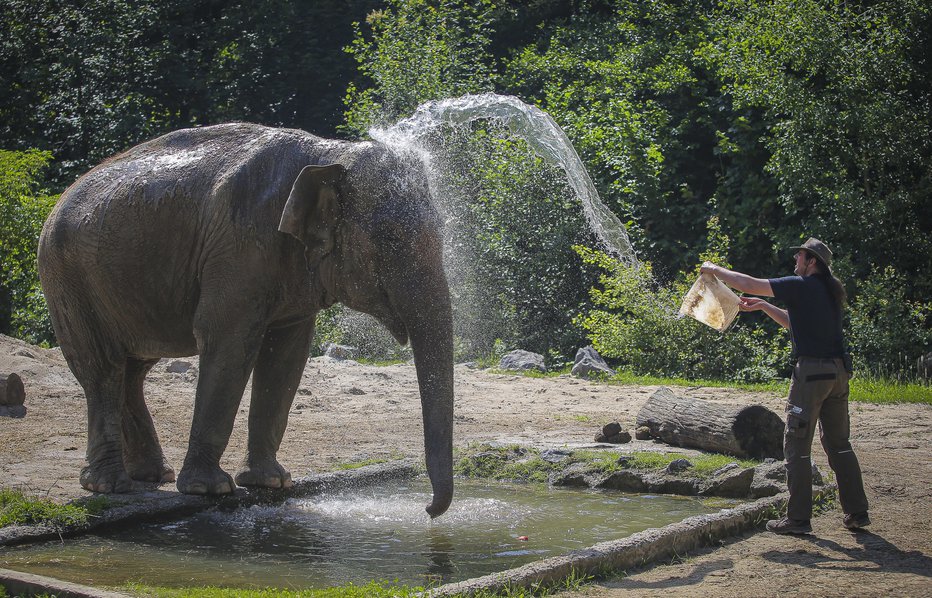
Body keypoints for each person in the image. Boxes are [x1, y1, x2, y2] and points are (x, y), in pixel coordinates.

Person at [701, 238, 870, 535]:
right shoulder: (829, 291)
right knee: (839, 446)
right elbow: (797, 323)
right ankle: (857, 512)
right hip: (838, 374)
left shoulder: (801, 284)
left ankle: (798, 519)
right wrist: (766, 307)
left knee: (796, 446)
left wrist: (714, 269)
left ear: (811, 261)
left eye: (800, 254)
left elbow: (750, 283)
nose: (795, 258)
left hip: (811, 377)